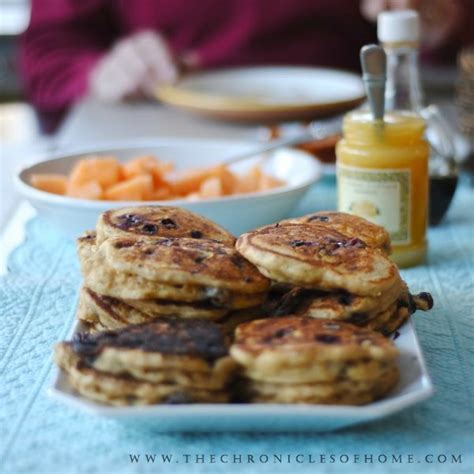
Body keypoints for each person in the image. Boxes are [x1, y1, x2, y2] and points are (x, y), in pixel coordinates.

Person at [19, 0, 472, 132]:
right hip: (164, 129)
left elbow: (457, 31)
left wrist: (442, 18)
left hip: (352, 128)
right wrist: (99, 73)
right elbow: (46, 54)